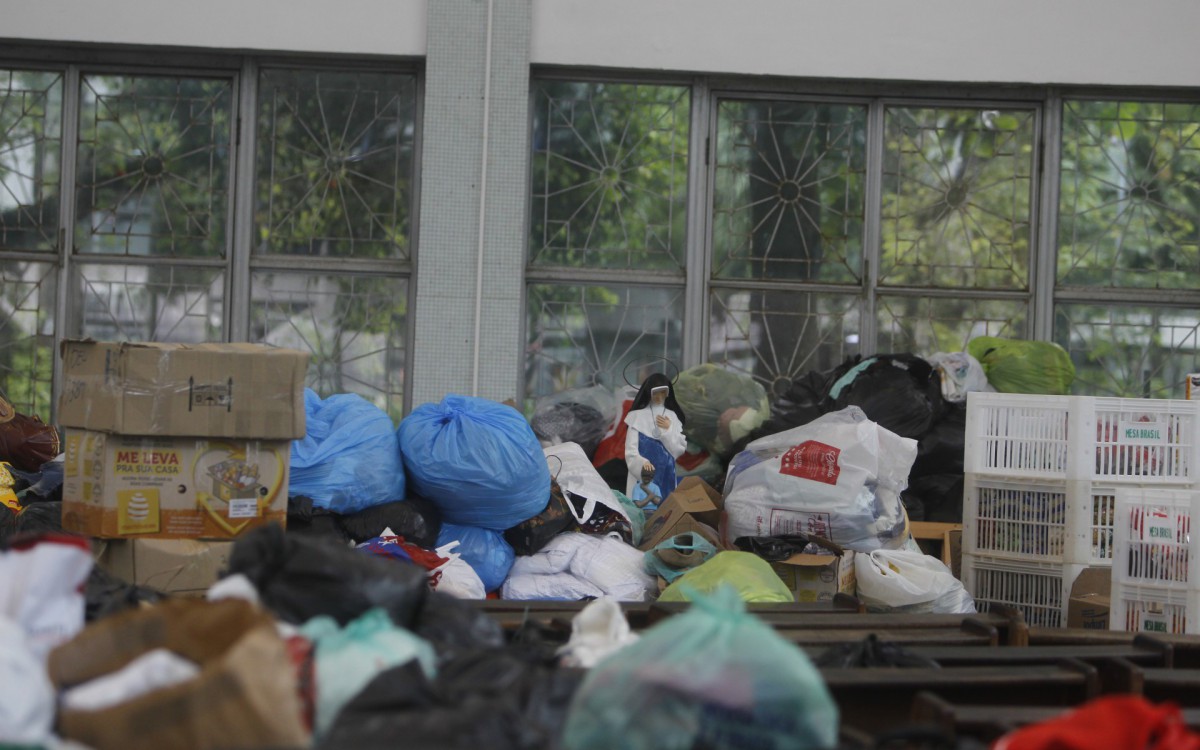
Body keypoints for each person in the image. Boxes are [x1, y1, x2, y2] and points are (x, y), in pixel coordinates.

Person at [623, 372, 687, 500]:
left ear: (668, 393)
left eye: (663, 392)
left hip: (666, 475)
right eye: (655, 393)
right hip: (643, 474)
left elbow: (678, 450)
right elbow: (630, 451)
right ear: (648, 393)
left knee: (665, 510)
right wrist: (643, 463)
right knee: (641, 508)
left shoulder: (672, 417)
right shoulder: (636, 417)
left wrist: (668, 430)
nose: (659, 397)